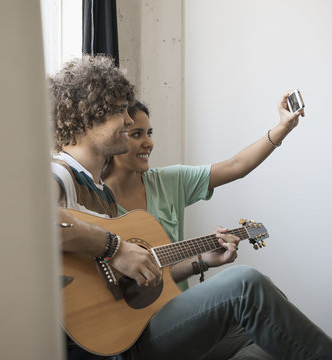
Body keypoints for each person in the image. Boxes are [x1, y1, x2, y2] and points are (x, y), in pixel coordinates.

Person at [49, 54, 332, 360]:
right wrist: (113, 247)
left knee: (264, 336)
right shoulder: (60, 172)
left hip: (130, 330)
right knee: (245, 284)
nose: (130, 120)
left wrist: (200, 261)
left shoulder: (100, 192)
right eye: (121, 112)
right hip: (111, 350)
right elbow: (33, 221)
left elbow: (125, 283)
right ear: (90, 116)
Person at [101, 99, 305, 359]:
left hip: (183, 316)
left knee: (273, 330)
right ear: (112, 138)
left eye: (149, 133)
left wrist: (282, 128)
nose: (148, 143)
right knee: (251, 287)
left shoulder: (168, 181)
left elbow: (235, 166)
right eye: (137, 134)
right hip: (136, 333)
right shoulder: (93, 202)